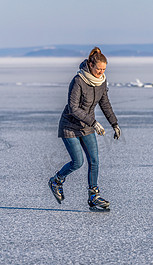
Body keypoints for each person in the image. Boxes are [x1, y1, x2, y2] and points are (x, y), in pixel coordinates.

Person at [48, 47, 121, 210]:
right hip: (70, 126)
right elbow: (73, 108)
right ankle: (56, 180)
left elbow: (105, 103)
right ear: (90, 65)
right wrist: (94, 122)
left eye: (104, 69)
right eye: (98, 69)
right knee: (78, 162)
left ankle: (94, 196)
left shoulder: (102, 81)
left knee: (94, 160)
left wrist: (114, 123)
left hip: (87, 126)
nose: (101, 72)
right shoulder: (78, 80)